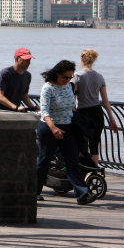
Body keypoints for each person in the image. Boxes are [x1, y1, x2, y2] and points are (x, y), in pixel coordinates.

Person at [36, 59, 95, 205]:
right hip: (49, 128)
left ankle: (82, 194)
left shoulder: (69, 86)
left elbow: (71, 107)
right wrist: (53, 128)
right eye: (65, 77)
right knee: (44, 161)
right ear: (57, 74)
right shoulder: (47, 88)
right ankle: (34, 192)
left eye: (70, 77)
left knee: (72, 161)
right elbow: (44, 111)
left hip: (67, 128)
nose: (67, 80)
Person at [73, 49, 118, 166]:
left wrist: (71, 114)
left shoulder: (77, 76)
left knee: (81, 144)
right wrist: (112, 120)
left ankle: (82, 172)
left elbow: (72, 100)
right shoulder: (99, 77)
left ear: (82, 59)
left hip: (83, 113)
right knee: (94, 146)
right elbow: (105, 101)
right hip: (98, 113)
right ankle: (94, 173)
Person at [0, 48, 40, 112]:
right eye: (25, 60)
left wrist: (33, 107)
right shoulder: (5, 73)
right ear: (17, 59)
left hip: (16, 113)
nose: (28, 63)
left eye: (29, 60)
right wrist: (15, 107)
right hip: (1, 112)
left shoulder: (27, 75)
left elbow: (24, 95)